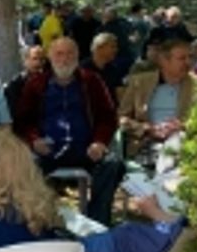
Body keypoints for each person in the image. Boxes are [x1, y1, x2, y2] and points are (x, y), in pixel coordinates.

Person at [14, 37, 124, 224]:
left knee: (113, 164)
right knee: (25, 166)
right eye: (59, 54)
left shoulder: (92, 80)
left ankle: (96, 223)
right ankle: (39, 222)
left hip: (85, 149)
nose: (64, 59)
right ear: (50, 56)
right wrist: (34, 140)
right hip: (48, 149)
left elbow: (108, 117)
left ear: (77, 56)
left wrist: (99, 141)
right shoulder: (36, 84)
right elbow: (23, 121)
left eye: (70, 54)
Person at [119, 39, 197, 174]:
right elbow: (121, 117)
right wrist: (146, 129)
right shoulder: (140, 82)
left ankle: (162, 180)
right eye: (182, 58)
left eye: (190, 58)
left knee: (176, 143)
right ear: (164, 61)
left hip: (184, 144)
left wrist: (183, 126)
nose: (188, 63)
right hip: (146, 143)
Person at [3, 45, 45, 121]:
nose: (38, 63)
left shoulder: (48, 83)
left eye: (41, 59)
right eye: (34, 59)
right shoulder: (15, 85)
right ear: (26, 61)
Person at [81, 32, 122, 105]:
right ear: (100, 48)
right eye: (112, 47)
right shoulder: (83, 69)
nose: (116, 50)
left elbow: (118, 92)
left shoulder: (113, 69)